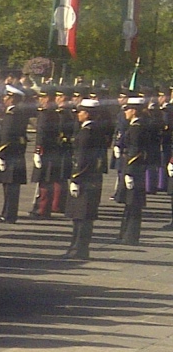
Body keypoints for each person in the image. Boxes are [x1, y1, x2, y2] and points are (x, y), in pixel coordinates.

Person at [63, 98, 107, 259]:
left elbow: (81, 159)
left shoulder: (87, 133)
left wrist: (75, 179)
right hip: (93, 179)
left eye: (80, 112)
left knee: (81, 216)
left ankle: (78, 249)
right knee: (83, 216)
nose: (78, 115)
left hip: (84, 179)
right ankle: (78, 247)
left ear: (87, 114)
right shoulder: (96, 130)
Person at [0, 85, 28, 223]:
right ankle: (8, 213)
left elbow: (6, 136)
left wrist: (1, 154)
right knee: (11, 188)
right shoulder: (20, 113)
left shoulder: (11, 115)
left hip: (9, 155)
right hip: (17, 154)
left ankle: (8, 215)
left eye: (7, 97)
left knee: (10, 188)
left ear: (13, 98)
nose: (4, 99)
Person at [116, 96, 147, 245]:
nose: (125, 112)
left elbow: (135, 152)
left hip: (134, 170)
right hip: (134, 169)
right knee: (131, 203)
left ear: (134, 111)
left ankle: (130, 236)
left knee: (133, 203)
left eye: (127, 109)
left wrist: (129, 172)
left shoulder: (136, 128)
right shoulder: (136, 126)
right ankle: (126, 234)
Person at [30, 87, 64, 218]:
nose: (41, 100)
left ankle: (42, 209)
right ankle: (42, 207)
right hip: (52, 150)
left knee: (45, 180)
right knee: (46, 179)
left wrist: (38, 150)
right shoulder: (52, 112)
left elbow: (42, 134)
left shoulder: (46, 113)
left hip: (46, 150)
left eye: (43, 97)